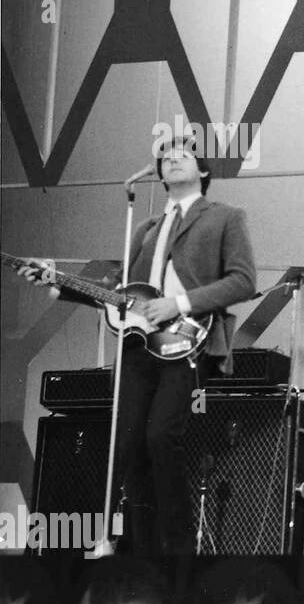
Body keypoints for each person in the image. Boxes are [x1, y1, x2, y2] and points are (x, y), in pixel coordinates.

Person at [20, 134, 256, 554]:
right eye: (166, 158)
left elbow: (243, 281)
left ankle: (181, 551)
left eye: (185, 156)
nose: (173, 160)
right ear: (159, 176)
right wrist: (57, 282)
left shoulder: (225, 217)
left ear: (203, 171)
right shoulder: (146, 228)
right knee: (127, 441)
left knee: (162, 435)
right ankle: (140, 551)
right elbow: (118, 291)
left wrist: (177, 303)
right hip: (138, 346)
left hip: (188, 338)